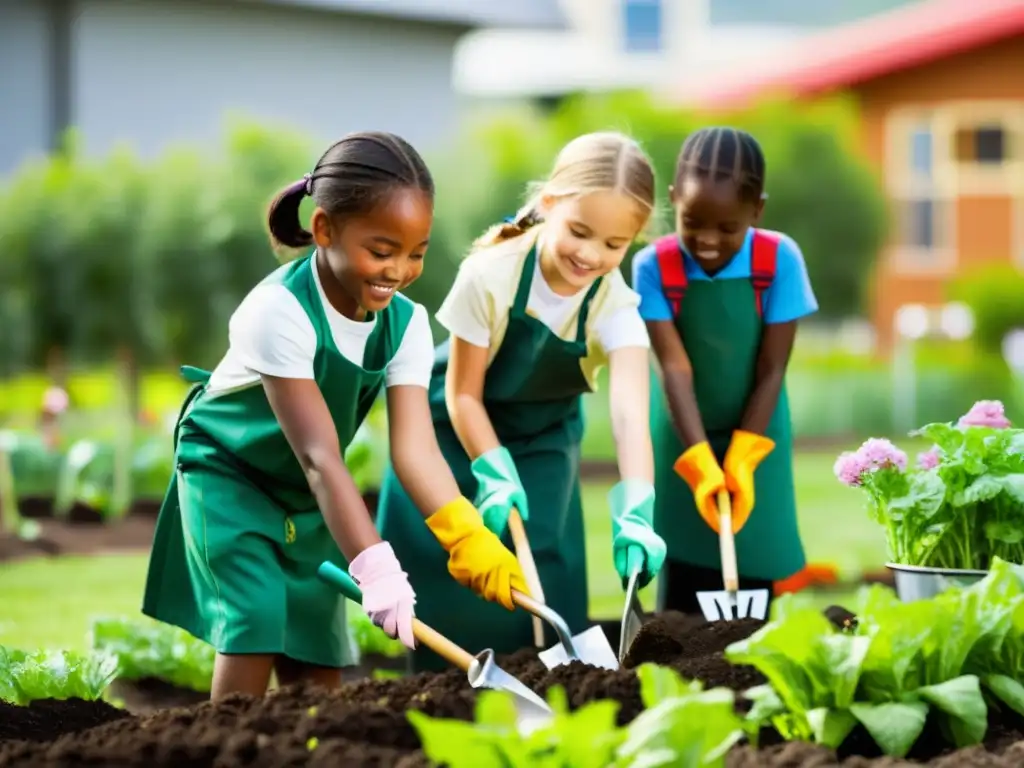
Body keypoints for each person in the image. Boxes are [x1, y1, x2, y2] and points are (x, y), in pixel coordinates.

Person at [142, 132, 528, 699]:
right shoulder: (278, 312)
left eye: (416, 252)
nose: (398, 269)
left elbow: (415, 451)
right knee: (255, 622)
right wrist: (376, 568)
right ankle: (224, 745)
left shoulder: (407, 327)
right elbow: (320, 455)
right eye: (382, 249)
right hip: (230, 478)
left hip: (307, 492)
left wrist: (465, 534)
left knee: (316, 649)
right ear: (324, 230)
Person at [376, 131, 668, 672]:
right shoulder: (490, 274)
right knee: (456, 577)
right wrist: (491, 468)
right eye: (579, 232)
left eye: (614, 244)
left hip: (544, 437)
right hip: (456, 430)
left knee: (545, 576)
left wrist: (637, 509)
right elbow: (464, 393)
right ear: (551, 204)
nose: (591, 255)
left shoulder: (617, 305)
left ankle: (547, 687)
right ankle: (444, 688)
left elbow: (630, 417)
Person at [631, 126, 819, 616]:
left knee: (755, 553)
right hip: (682, 424)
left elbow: (772, 368)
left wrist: (742, 457)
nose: (708, 241)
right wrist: (699, 458)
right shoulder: (654, 266)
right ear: (673, 201)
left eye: (728, 229)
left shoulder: (779, 260)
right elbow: (674, 368)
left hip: (757, 426)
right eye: (693, 223)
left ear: (757, 210)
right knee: (686, 563)